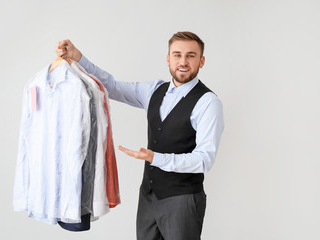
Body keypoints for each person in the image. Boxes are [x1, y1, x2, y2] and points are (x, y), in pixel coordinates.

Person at [55, 31, 224, 240]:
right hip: (148, 196)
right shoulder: (154, 90)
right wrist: (79, 58)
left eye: (191, 55)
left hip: (183, 199)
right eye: (177, 54)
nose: (183, 61)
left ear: (202, 60)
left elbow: (204, 159)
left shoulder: (208, 103)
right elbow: (112, 86)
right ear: (168, 58)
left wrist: (156, 158)